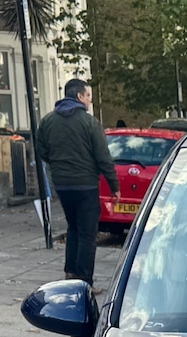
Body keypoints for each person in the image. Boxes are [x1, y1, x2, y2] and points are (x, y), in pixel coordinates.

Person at [37, 79, 119, 288]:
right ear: (80, 97)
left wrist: (58, 165)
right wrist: (114, 185)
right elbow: (103, 157)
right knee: (87, 234)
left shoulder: (47, 121)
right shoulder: (90, 123)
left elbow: (42, 151)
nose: (90, 101)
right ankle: (84, 282)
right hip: (86, 184)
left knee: (73, 227)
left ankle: (70, 273)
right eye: (89, 96)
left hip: (62, 184)